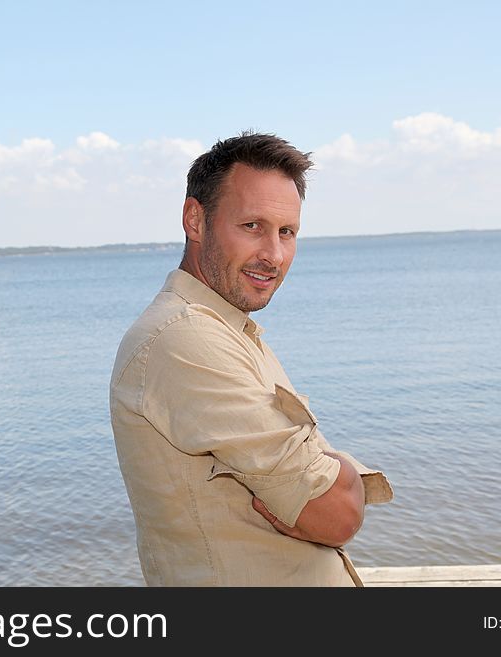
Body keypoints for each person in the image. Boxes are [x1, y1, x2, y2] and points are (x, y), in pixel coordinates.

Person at [109, 132, 393, 586]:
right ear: (195, 220)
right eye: (252, 226)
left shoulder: (229, 329)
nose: (274, 256)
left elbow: (328, 498)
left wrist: (328, 476)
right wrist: (332, 475)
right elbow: (335, 514)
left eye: (287, 232)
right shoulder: (185, 339)